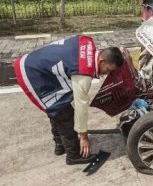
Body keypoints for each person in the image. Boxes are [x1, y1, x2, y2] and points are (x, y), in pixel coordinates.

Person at [13, 35, 124, 165]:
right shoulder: (84, 73)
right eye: (107, 70)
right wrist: (83, 136)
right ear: (102, 61)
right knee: (64, 113)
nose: (106, 74)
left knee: (56, 107)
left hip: (36, 64)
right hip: (34, 73)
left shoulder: (88, 43)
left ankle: (60, 145)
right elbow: (81, 105)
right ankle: (74, 155)